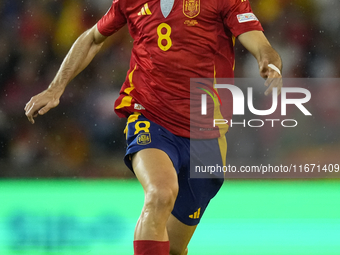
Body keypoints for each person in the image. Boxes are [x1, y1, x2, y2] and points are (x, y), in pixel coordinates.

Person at [25, 0, 282, 254]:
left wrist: (268, 59)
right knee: (160, 193)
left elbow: (258, 41)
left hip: (207, 133)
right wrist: (55, 87)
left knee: (174, 247)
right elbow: (93, 38)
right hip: (149, 116)